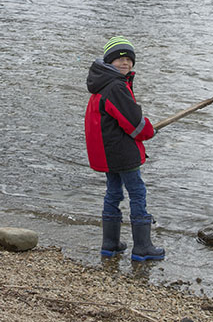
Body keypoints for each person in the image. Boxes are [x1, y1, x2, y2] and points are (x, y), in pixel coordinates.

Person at [84, 36, 165, 260]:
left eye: (129, 59)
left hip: (109, 152)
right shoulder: (116, 87)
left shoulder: (102, 84)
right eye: (120, 59)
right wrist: (149, 131)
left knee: (114, 192)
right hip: (121, 152)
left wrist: (144, 129)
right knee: (137, 192)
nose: (125, 63)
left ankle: (110, 245)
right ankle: (142, 247)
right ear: (109, 62)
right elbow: (134, 123)